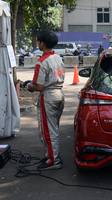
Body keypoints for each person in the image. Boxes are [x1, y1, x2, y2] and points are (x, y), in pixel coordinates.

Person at [22, 30, 65, 170]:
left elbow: (39, 86)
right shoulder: (58, 57)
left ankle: (53, 161)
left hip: (48, 97)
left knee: (47, 130)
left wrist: (28, 85)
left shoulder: (41, 62)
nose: (38, 44)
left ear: (42, 44)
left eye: (39, 41)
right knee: (53, 128)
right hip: (59, 93)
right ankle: (51, 155)